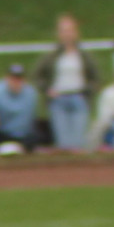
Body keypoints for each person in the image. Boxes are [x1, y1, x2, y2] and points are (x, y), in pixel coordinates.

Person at [40, 13, 94, 150]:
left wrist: (87, 92)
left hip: (79, 99)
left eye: (70, 30)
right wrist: (47, 90)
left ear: (76, 33)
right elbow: (38, 76)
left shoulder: (84, 56)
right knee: (63, 143)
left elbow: (95, 78)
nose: (67, 34)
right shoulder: (51, 56)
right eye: (63, 31)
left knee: (79, 142)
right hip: (58, 100)